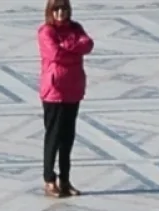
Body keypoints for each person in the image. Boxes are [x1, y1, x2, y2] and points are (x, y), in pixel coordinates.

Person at [38, 0, 94, 198]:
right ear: (50, 11)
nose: (61, 13)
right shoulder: (46, 32)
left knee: (68, 137)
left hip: (73, 89)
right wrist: (73, 49)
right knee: (53, 136)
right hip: (54, 91)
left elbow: (87, 45)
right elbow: (55, 53)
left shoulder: (75, 28)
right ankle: (49, 179)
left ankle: (65, 179)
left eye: (64, 9)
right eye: (57, 9)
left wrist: (67, 46)